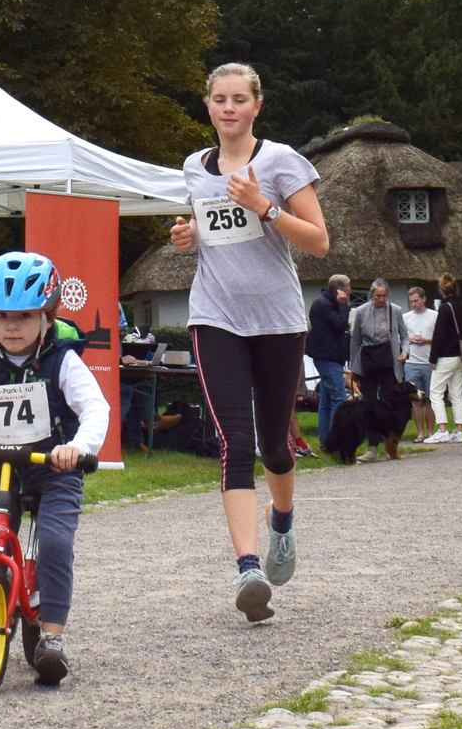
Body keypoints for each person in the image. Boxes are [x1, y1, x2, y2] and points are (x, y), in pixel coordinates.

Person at [169, 62, 330, 623]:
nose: (229, 108)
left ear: (257, 106)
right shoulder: (194, 166)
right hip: (215, 315)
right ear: (208, 106)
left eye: (240, 99)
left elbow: (319, 243)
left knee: (276, 446)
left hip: (278, 320)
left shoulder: (281, 161)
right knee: (234, 443)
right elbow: (206, 234)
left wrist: (265, 206)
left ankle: (280, 524)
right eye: (220, 99)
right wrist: (187, 237)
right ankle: (247, 568)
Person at [0, 250, 109, 684]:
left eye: (24, 317)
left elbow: (95, 409)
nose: (11, 327)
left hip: (54, 470)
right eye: (0, 316)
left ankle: (51, 636)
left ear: (46, 317)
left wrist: (77, 447)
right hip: (1, 470)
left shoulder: (62, 359)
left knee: (53, 542)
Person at [349, 279, 410, 463]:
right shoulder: (360, 312)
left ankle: (391, 445)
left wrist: (404, 351)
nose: (381, 299)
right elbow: (355, 340)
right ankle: (372, 447)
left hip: (389, 360)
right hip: (368, 359)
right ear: (371, 296)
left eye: (384, 296)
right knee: (369, 405)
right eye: (378, 296)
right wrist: (354, 366)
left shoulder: (396, 310)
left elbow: (405, 335)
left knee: (390, 404)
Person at [306, 274, 352, 448]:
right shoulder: (324, 304)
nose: (349, 292)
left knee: (325, 401)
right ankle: (335, 440)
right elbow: (339, 324)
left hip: (331, 356)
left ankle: (325, 441)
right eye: (348, 289)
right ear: (339, 290)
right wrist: (343, 305)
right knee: (339, 399)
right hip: (327, 357)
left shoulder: (326, 302)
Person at [425, 272, 462, 445]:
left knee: (436, 392)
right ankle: (458, 431)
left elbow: (439, 335)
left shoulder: (444, 308)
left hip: (446, 355)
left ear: (441, 290)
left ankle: (442, 429)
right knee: (456, 393)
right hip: (460, 355)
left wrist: (432, 358)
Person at [402, 285, 437, 443]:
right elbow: (400, 337)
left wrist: (426, 340)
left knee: (431, 399)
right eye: (411, 301)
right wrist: (410, 340)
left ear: (424, 299)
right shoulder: (405, 317)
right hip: (412, 362)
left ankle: (430, 432)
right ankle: (420, 433)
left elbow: (440, 337)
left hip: (430, 362)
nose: (414, 304)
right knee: (416, 400)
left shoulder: (434, 316)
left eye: (416, 301)